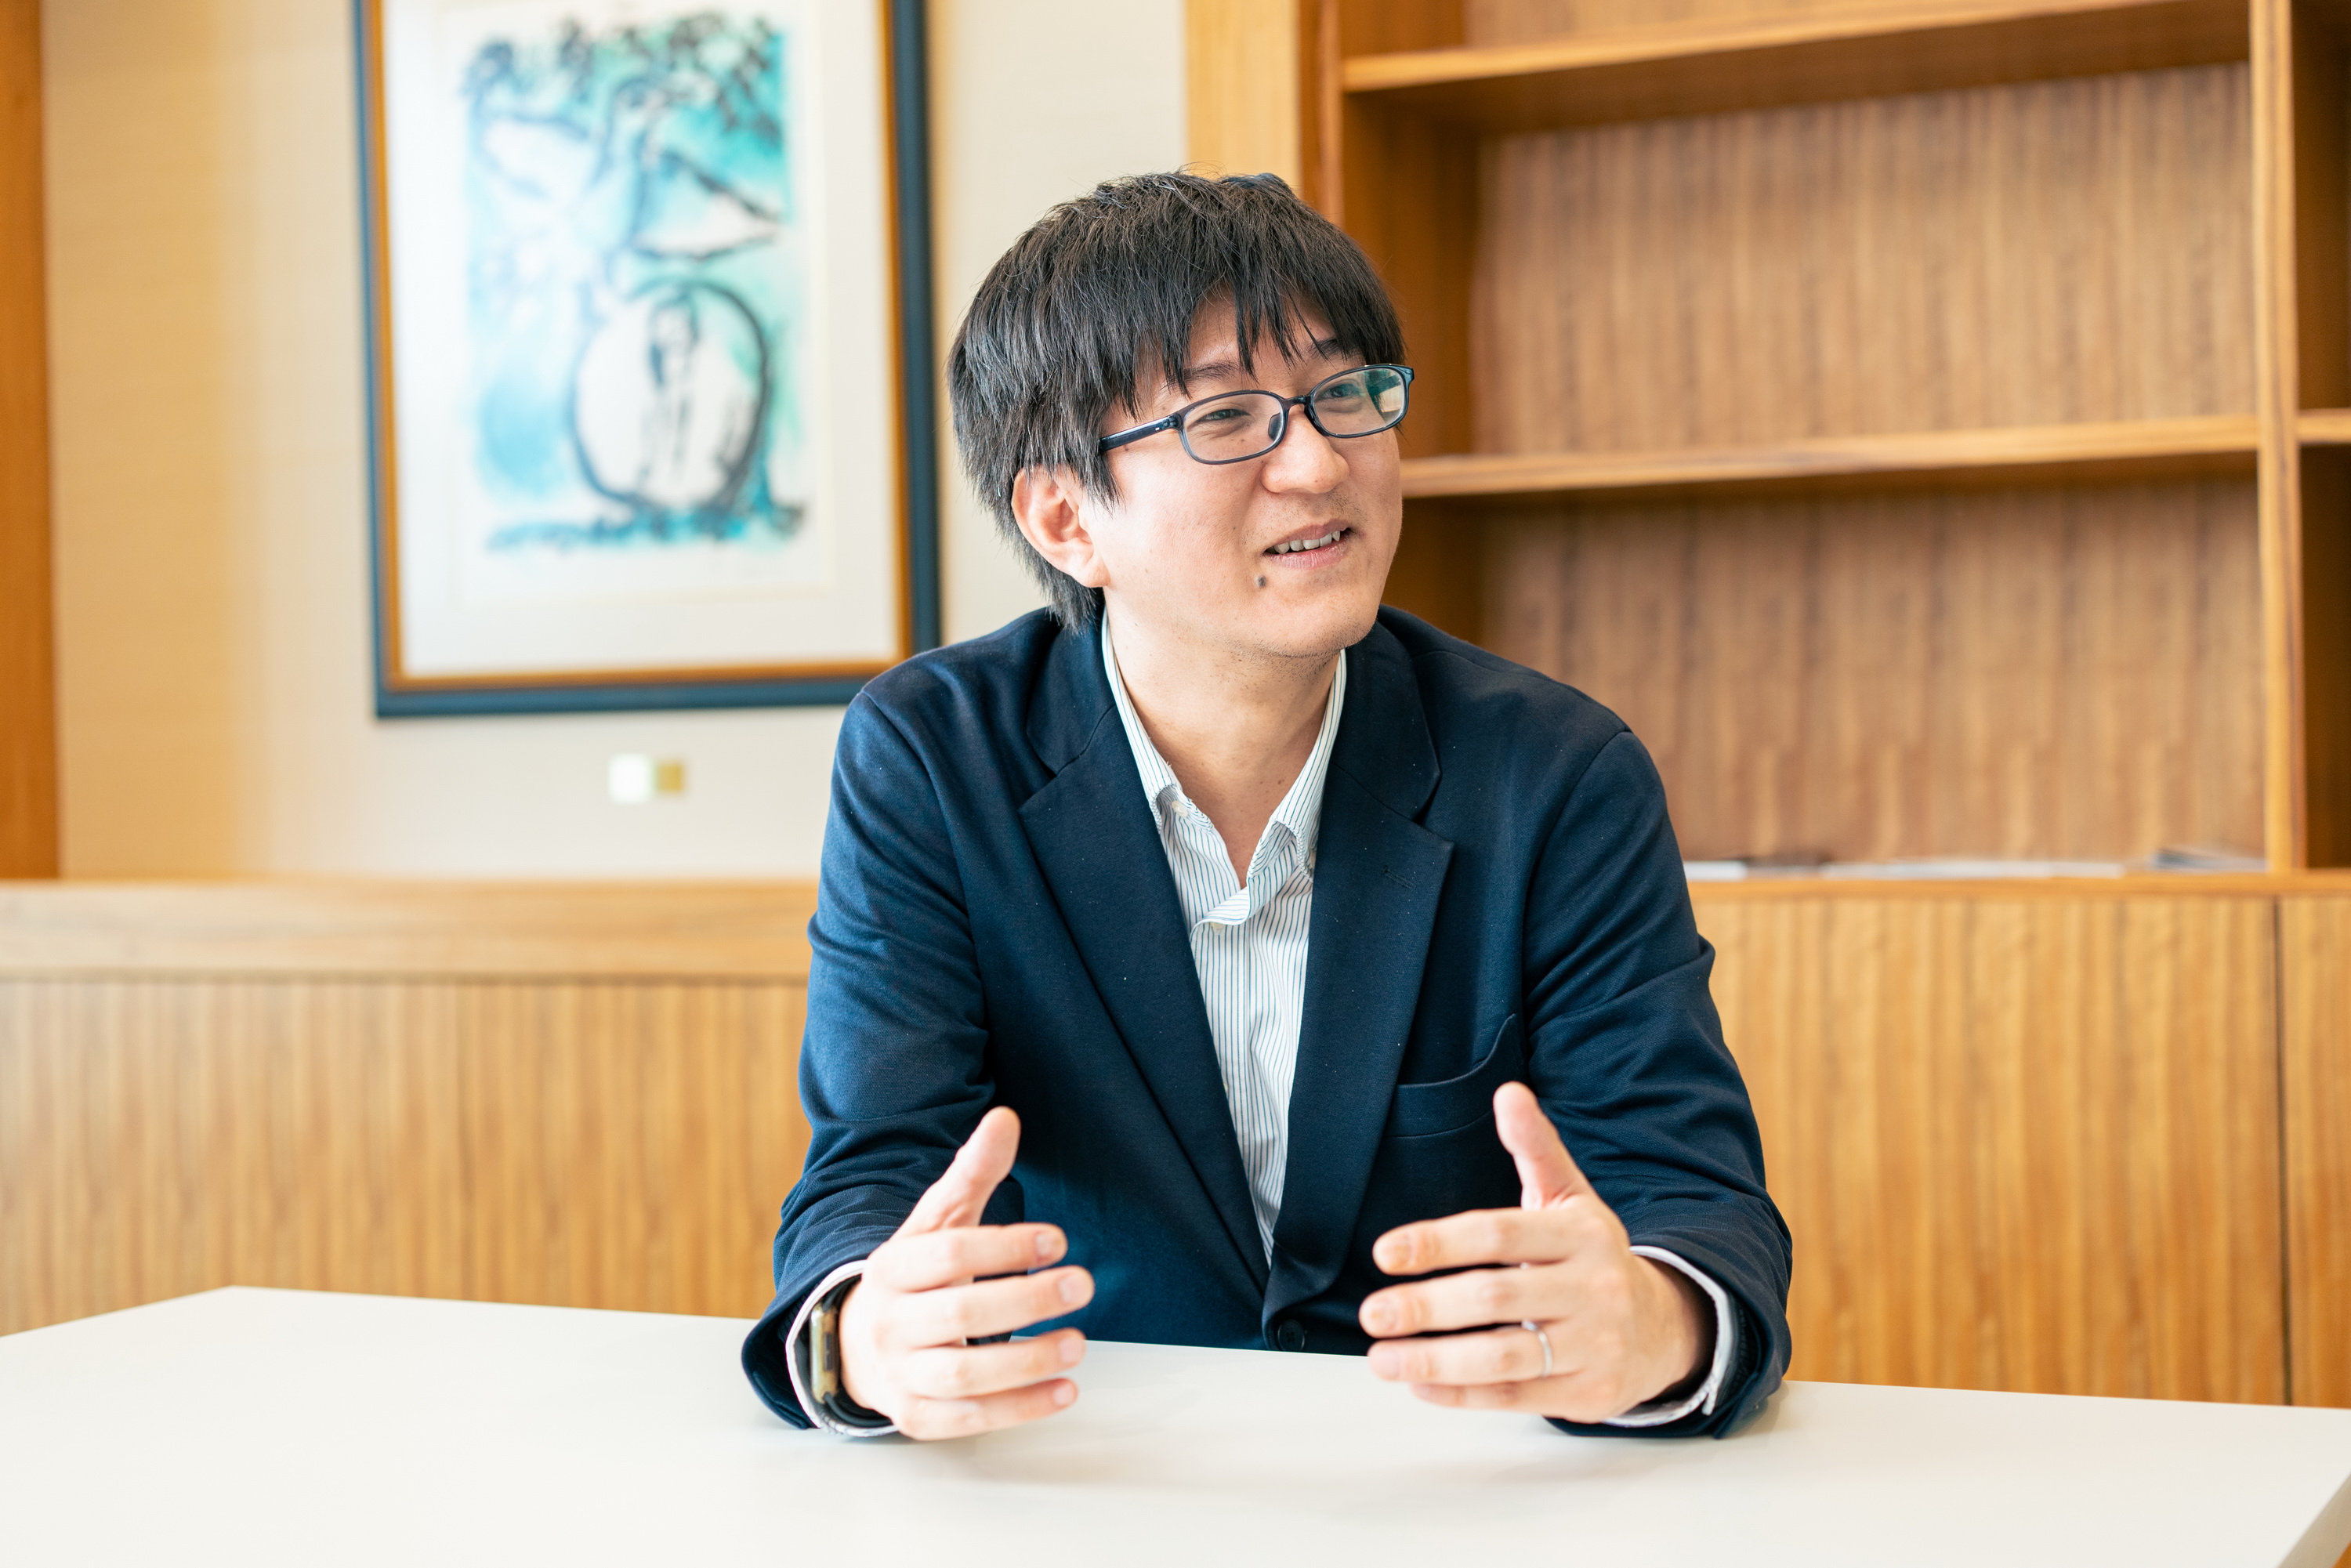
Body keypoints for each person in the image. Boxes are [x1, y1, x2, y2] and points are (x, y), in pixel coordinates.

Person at [740, 172, 1790, 1442]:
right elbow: (872, 1176)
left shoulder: (1554, 772)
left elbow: (1691, 1200)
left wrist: (1654, 1323)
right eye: (1228, 417)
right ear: (1064, 516)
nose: (1320, 461)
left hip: (1457, 1473)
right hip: (1086, 1459)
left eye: (1347, 393)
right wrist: (866, 1337)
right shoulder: (934, 760)